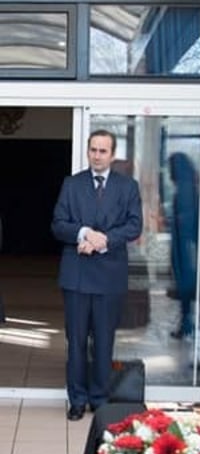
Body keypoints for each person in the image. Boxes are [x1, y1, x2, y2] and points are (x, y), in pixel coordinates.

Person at [51, 129, 142, 421]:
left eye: (103, 151)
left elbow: (134, 225)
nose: (97, 155)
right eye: (93, 150)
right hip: (76, 275)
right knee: (76, 342)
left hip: (109, 276)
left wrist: (104, 240)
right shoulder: (72, 184)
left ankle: (99, 399)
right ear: (88, 151)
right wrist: (84, 232)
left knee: (104, 342)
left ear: (112, 155)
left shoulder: (127, 186)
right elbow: (58, 224)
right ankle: (76, 400)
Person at [168, 152, 199, 339]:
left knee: (186, 288)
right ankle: (186, 324)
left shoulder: (185, 189)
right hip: (185, 246)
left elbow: (186, 221)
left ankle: (187, 325)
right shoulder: (187, 186)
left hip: (185, 249)